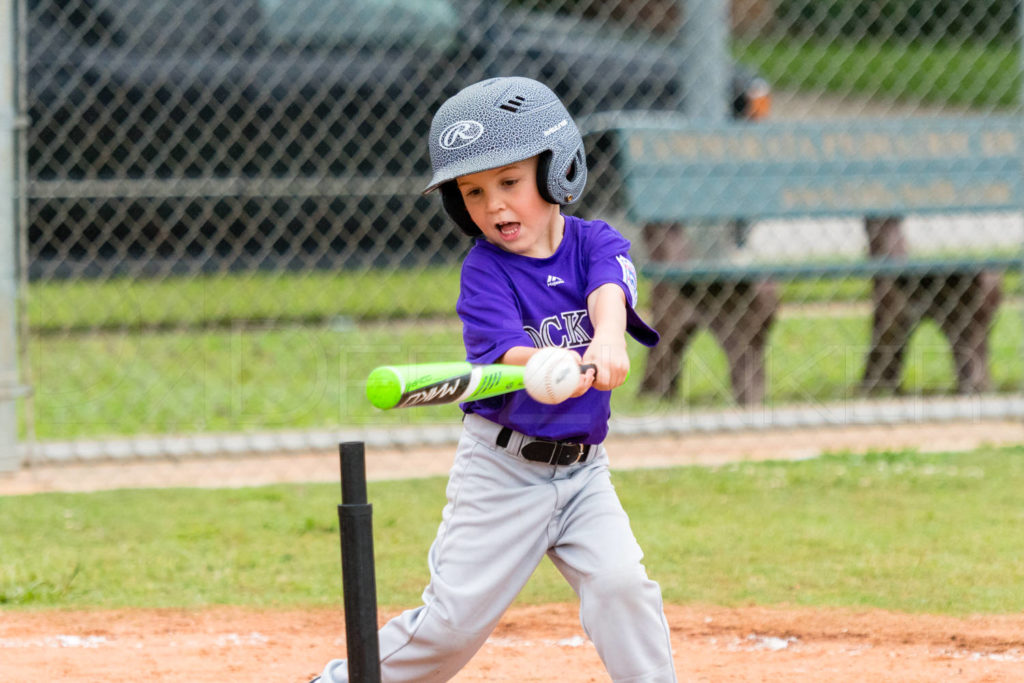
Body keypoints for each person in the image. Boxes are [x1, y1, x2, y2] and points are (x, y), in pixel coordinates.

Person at [312, 76, 675, 683]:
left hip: (585, 473)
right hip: (501, 474)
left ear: (558, 170)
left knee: (622, 588)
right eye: (473, 192)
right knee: (451, 626)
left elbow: (609, 289)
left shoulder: (594, 242)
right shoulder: (484, 270)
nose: (494, 205)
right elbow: (502, 353)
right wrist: (541, 365)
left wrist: (606, 341)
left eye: (510, 182)